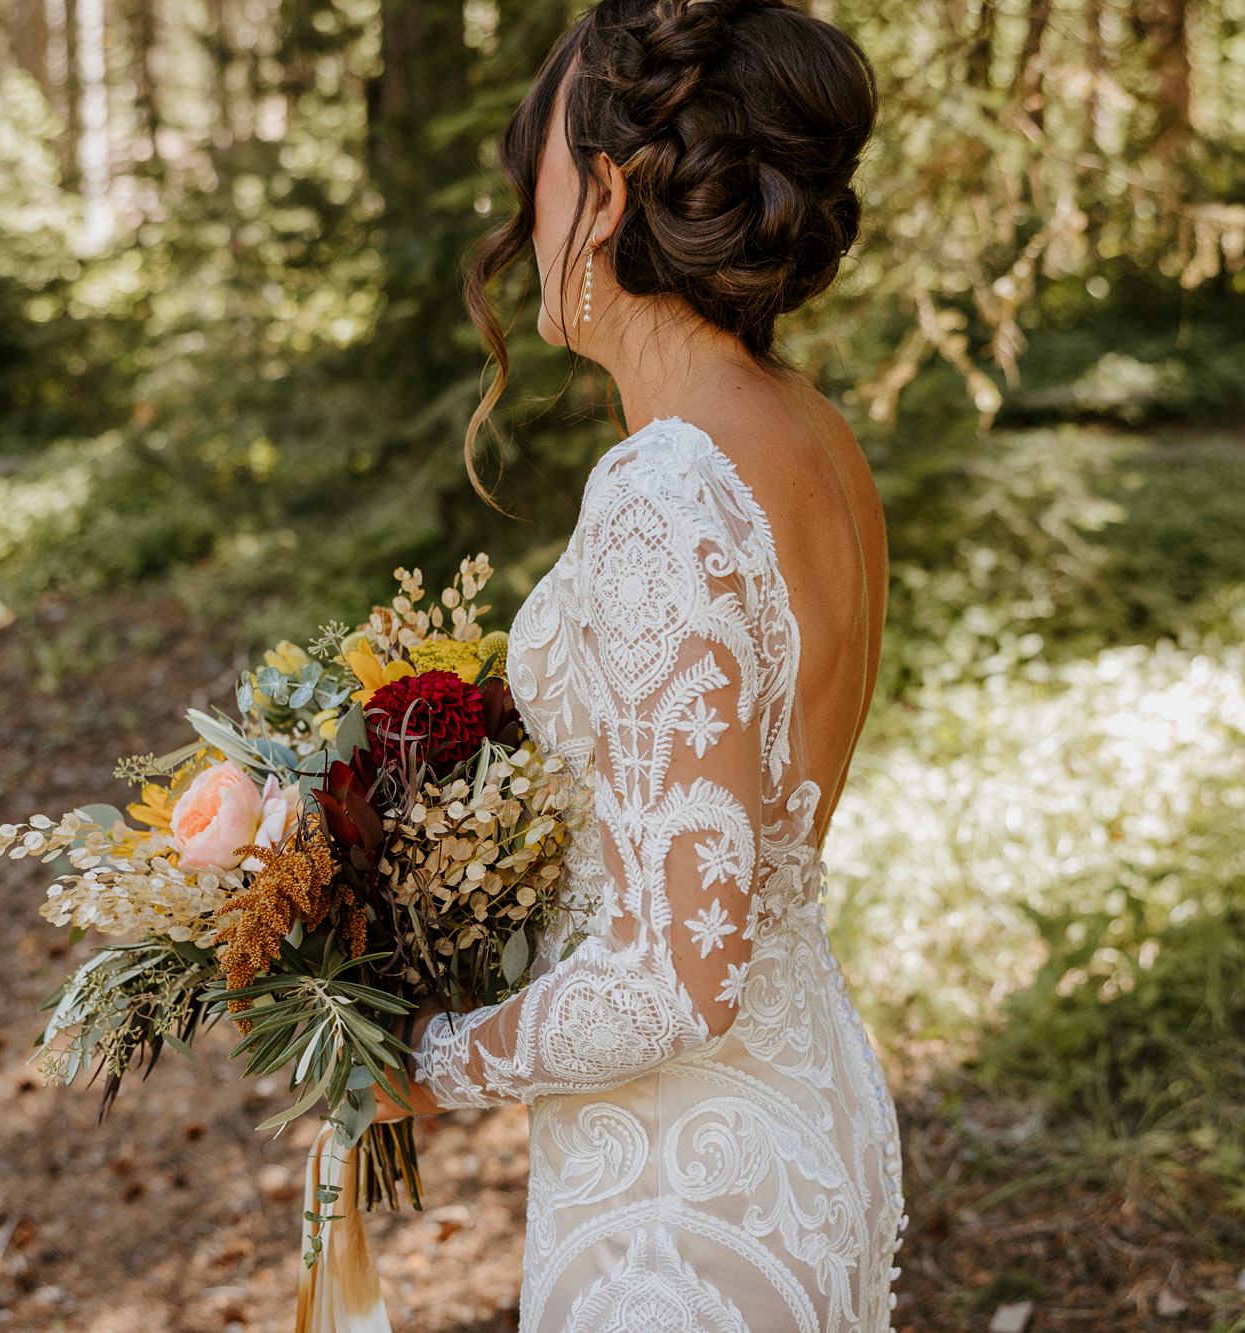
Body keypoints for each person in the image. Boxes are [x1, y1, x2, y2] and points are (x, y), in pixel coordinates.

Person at [374, 1, 904, 1328]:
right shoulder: (812, 437)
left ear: (605, 194)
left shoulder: (666, 483)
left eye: (535, 182)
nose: (520, 221)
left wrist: (425, 1060)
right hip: (799, 1107)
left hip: (684, 1197)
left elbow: (680, 972)